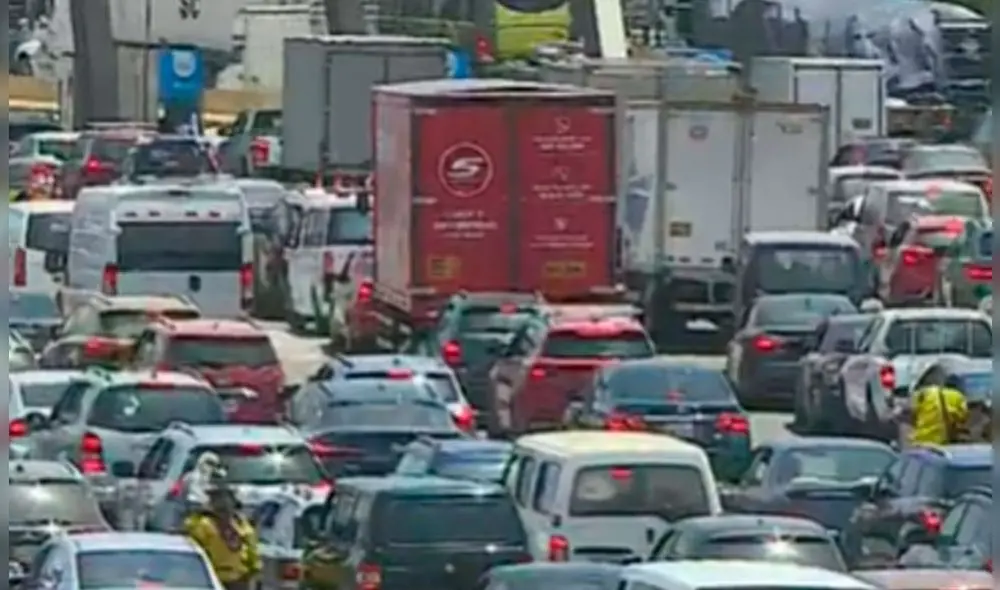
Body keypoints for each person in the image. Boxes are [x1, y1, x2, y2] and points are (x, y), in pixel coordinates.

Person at [183, 475, 261, 590]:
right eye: (217, 498)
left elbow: (253, 554)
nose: (223, 502)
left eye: (227, 497)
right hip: (213, 578)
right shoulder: (203, 524)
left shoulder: (242, 525)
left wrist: (254, 574)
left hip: (239, 580)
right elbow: (192, 542)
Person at [909, 373, 968, 446]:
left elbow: (912, 414)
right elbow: (963, 419)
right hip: (939, 442)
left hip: (919, 439)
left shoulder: (926, 392)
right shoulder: (958, 396)